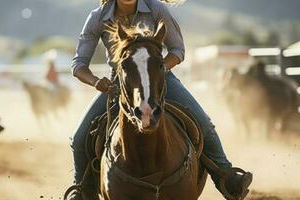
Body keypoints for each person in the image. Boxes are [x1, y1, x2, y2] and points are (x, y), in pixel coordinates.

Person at [69, 0, 253, 199]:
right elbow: (79, 64)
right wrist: (97, 82)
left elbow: (177, 50)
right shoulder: (97, 17)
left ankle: (226, 176)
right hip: (122, 80)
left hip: (160, 74)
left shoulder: (157, 9)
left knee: (204, 123)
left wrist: (156, 70)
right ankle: (81, 190)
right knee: (79, 138)